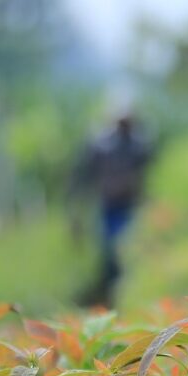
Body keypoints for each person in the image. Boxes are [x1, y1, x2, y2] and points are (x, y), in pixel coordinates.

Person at [69, 97, 154, 306]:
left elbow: (147, 175)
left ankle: (124, 296)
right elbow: (84, 176)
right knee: (109, 252)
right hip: (109, 207)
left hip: (131, 207)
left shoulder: (139, 146)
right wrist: (76, 211)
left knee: (130, 252)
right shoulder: (102, 145)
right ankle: (107, 296)